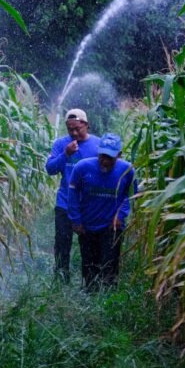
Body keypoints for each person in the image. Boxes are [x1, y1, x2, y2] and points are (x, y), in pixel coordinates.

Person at [68, 133, 136, 291]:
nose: (104, 160)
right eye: (102, 155)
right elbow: (73, 194)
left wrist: (120, 215)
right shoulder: (82, 167)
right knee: (89, 261)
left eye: (109, 157)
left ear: (119, 155)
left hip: (112, 226)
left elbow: (130, 195)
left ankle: (108, 295)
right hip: (87, 224)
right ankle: (90, 292)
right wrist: (76, 220)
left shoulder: (127, 171)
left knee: (110, 262)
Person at [45, 109, 100, 283]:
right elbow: (50, 169)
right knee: (62, 244)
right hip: (65, 203)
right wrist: (65, 154)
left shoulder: (98, 145)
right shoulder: (61, 144)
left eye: (77, 129)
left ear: (86, 124)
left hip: (89, 206)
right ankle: (61, 280)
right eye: (70, 129)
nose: (74, 133)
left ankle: (90, 283)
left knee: (90, 247)